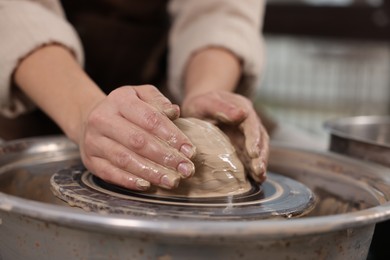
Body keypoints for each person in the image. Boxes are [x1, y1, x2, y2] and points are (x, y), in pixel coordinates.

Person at [0, 0, 269, 191]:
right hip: (31, 89)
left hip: (163, 98)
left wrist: (208, 91)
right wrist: (84, 110)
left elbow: (219, 11)